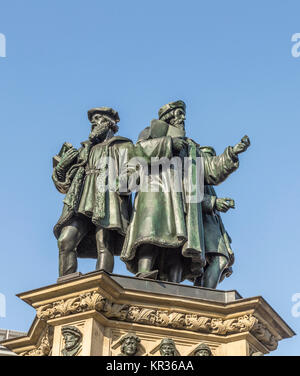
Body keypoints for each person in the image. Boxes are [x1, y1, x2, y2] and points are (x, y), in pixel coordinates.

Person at [121, 100, 250, 283]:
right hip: (155, 190)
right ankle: (144, 273)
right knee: (150, 233)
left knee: (178, 243)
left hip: (180, 198)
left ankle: (174, 284)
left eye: (183, 114)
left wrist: (231, 154)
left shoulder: (191, 146)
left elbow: (210, 170)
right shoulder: (152, 132)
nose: (182, 118)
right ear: (169, 116)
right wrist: (169, 145)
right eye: (179, 114)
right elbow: (138, 152)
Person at [52, 107, 133, 276]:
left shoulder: (123, 146)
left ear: (109, 123)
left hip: (108, 198)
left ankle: (101, 283)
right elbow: (64, 184)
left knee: (104, 243)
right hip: (81, 200)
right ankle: (66, 284)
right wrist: (61, 167)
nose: (94, 123)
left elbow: (132, 171)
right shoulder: (84, 150)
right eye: (92, 120)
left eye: (98, 119)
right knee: (65, 240)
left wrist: (122, 183)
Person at [194, 146, 235, 289]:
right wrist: (214, 203)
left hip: (211, 226)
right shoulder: (194, 176)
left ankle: (200, 294)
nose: (210, 161)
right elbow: (190, 197)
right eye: (207, 157)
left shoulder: (207, 183)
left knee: (210, 264)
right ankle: (205, 296)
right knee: (220, 259)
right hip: (201, 224)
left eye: (212, 158)